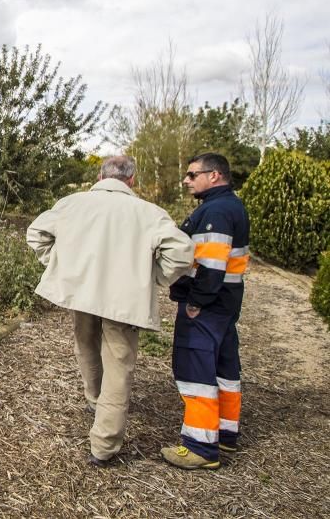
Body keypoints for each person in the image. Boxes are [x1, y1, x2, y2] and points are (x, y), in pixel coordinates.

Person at [27, 156, 194, 468]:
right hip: (124, 299)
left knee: (86, 346)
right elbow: (182, 252)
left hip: (83, 292)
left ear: (100, 175)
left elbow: (36, 234)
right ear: (130, 181)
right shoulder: (149, 213)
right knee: (118, 364)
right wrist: (156, 275)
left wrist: (63, 266)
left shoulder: (72, 203)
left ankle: (95, 401)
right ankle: (103, 446)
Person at [161, 152, 250, 470]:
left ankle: (200, 445)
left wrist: (196, 301)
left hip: (208, 306)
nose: (186, 180)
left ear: (214, 175)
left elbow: (211, 264)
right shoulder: (230, 206)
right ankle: (225, 433)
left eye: (192, 174)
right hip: (226, 304)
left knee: (195, 371)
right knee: (225, 369)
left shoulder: (215, 211)